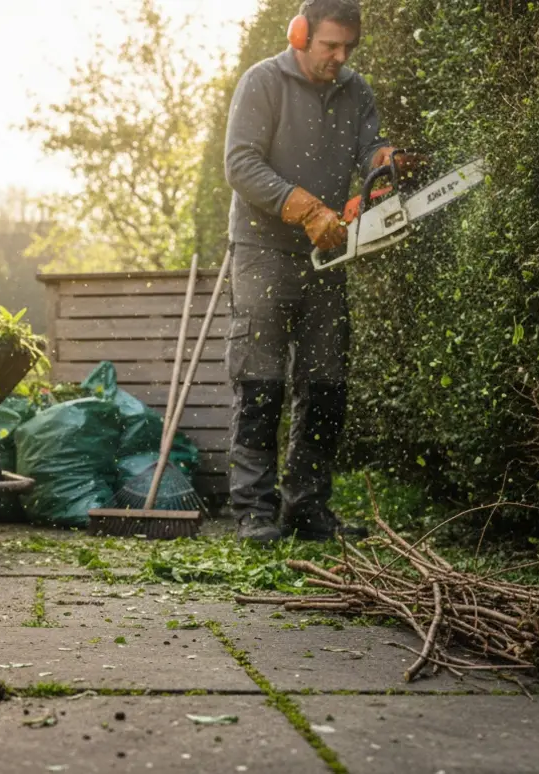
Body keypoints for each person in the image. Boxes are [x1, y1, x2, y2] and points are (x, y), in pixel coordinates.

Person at [222, 0, 417, 544]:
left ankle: (306, 507)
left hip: (330, 253)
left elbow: (369, 146)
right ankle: (255, 512)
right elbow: (240, 163)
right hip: (263, 249)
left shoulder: (355, 90)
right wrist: (304, 207)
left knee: (327, 382)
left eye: (348, 47)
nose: (340, 56)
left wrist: (383, 162)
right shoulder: (262, 83)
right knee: (260, 381)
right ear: (301, 34)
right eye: (331, 45)